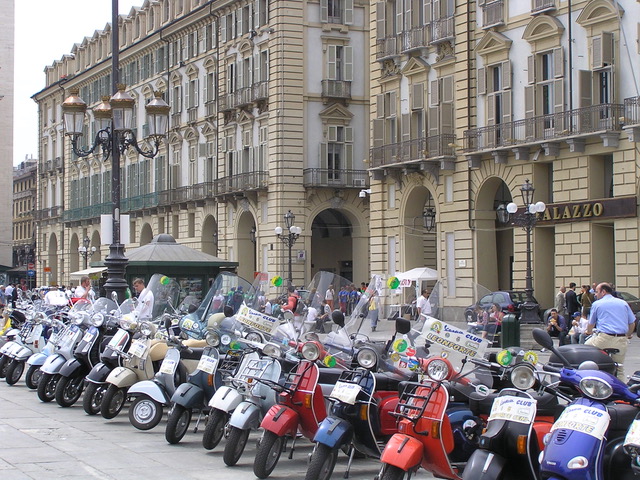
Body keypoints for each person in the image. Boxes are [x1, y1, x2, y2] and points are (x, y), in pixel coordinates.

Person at [585, 282, 636, 380]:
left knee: (585, 349)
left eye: (596, 292)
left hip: (603, 339)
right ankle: (622, 389)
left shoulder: (597, 304)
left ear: (603, 292)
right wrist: (628, 335)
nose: (595, 294)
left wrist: (588, 332)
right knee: (619, 367)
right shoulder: (623, 303)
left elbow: (591, 323)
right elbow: (632, 323)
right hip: (621, 339)